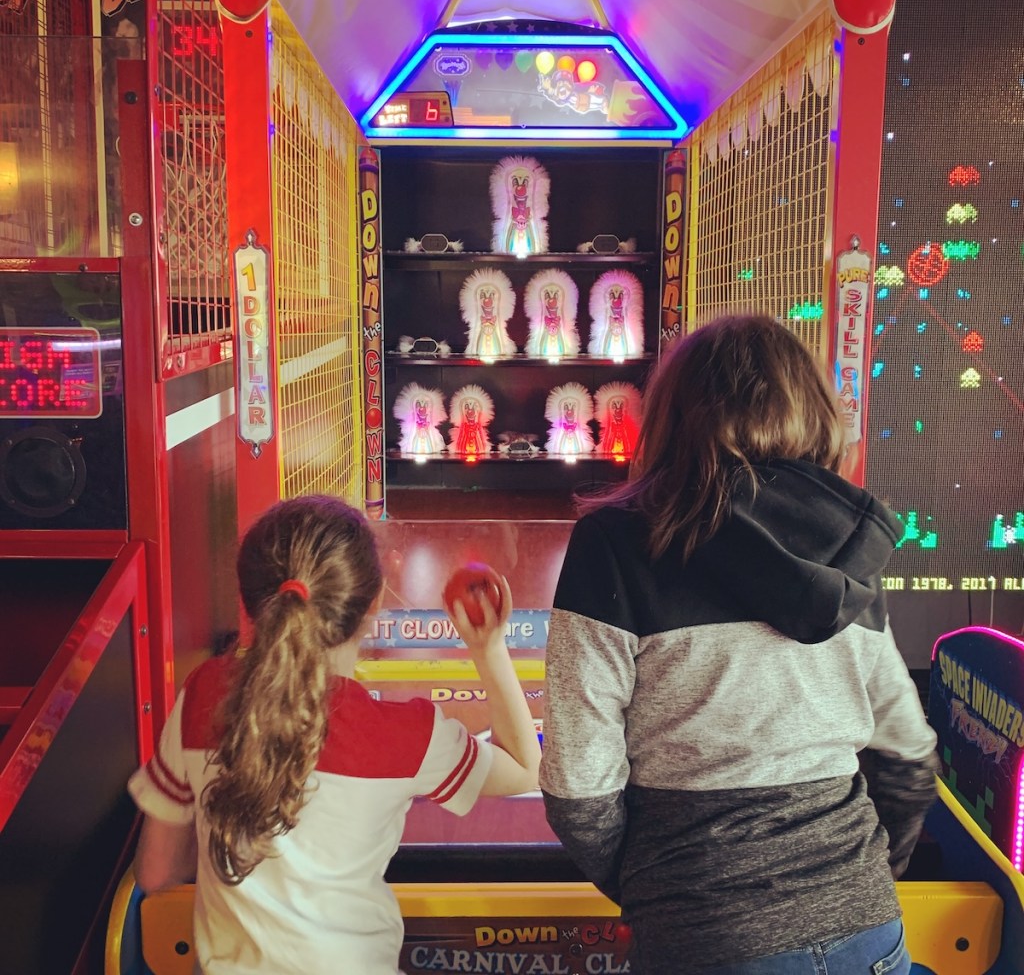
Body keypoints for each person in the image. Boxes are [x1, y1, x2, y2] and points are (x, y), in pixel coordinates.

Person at [539, 314, 939, 975]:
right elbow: (907, 757)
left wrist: (658, 885)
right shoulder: (851, 546)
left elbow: (579, 788)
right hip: (867, 932)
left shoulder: (616, 541)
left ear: (673, 415)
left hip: (704, 935)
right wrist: (859, 881)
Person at [128, 495, 540, 974]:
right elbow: (526, 769)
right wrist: (488, 647)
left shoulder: (203, 695)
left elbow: (155, 871)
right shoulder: (405, 736)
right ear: (375, 601)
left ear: (250, 601)